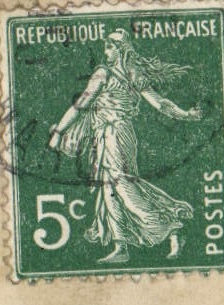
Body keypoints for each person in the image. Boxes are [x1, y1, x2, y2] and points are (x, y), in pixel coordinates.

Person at [48, 29, 201, 263]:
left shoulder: (105, 74)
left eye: (109, 47)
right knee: (109, 188)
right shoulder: (133, 74)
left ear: (120, 49)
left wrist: (59, 132)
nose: (105, 51)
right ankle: (121, 247)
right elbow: (160, 104)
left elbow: (80, 106)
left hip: (113, 134)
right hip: (115, 135)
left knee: (122, 186)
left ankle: (170, 226)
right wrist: (186, 115)